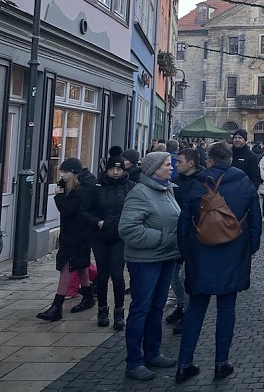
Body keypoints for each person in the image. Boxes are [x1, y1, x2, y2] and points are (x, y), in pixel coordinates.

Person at [175, 141, 262, 383]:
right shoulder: (244, 182)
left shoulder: (195, 184)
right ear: (230, 159)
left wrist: (183, 253)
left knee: (196, 307)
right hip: (233, 252)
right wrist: (252, 248)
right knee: (226, 308)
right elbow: (255, 217)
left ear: (210, 160)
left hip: (200, 252)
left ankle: (184, 363)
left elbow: (183, 223)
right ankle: (221, 362)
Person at [118, 151, 181, 381]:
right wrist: (163, 238)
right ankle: (133, 362)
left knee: (156, 308)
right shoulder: (140, 193)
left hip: (165, 258)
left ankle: (152, 352)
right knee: (141, 309)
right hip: (145, 261)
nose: (171, 167)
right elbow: (128, 229)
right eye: (167, 165)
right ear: (154, 169)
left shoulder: (167, 189)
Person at [36, 158, 97, 322]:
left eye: (65, 172)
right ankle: (88, 296)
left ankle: (57, 306)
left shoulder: (80, 192)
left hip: (77, 234)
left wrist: (59, 196)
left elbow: (68, 210)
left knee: (66, 266)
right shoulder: (71, 188)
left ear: (74, 174)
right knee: (80, 265)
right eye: (61, 171)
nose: (61, 175)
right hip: (74, 233)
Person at [88, 155, 134, 330]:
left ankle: (119, 311)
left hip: (120, 237)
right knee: (102, 274)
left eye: (119, 169)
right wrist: (97, 222)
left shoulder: (130, 187)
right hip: (100, 237)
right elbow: (85, 212)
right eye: (112, 169)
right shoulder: (96, 188)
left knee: (117, 274)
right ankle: (102, 309)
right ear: (106, 170)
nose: (115, 172)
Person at [166, 149, 206, 334]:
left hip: (192, 236)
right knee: (174, 276)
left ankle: (188, 313)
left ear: (191, 163)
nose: (175, 165)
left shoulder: (202, 182)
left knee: (185, 277)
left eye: (179, 162)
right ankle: (181, 306)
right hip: (174, 233)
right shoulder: (173, 183)